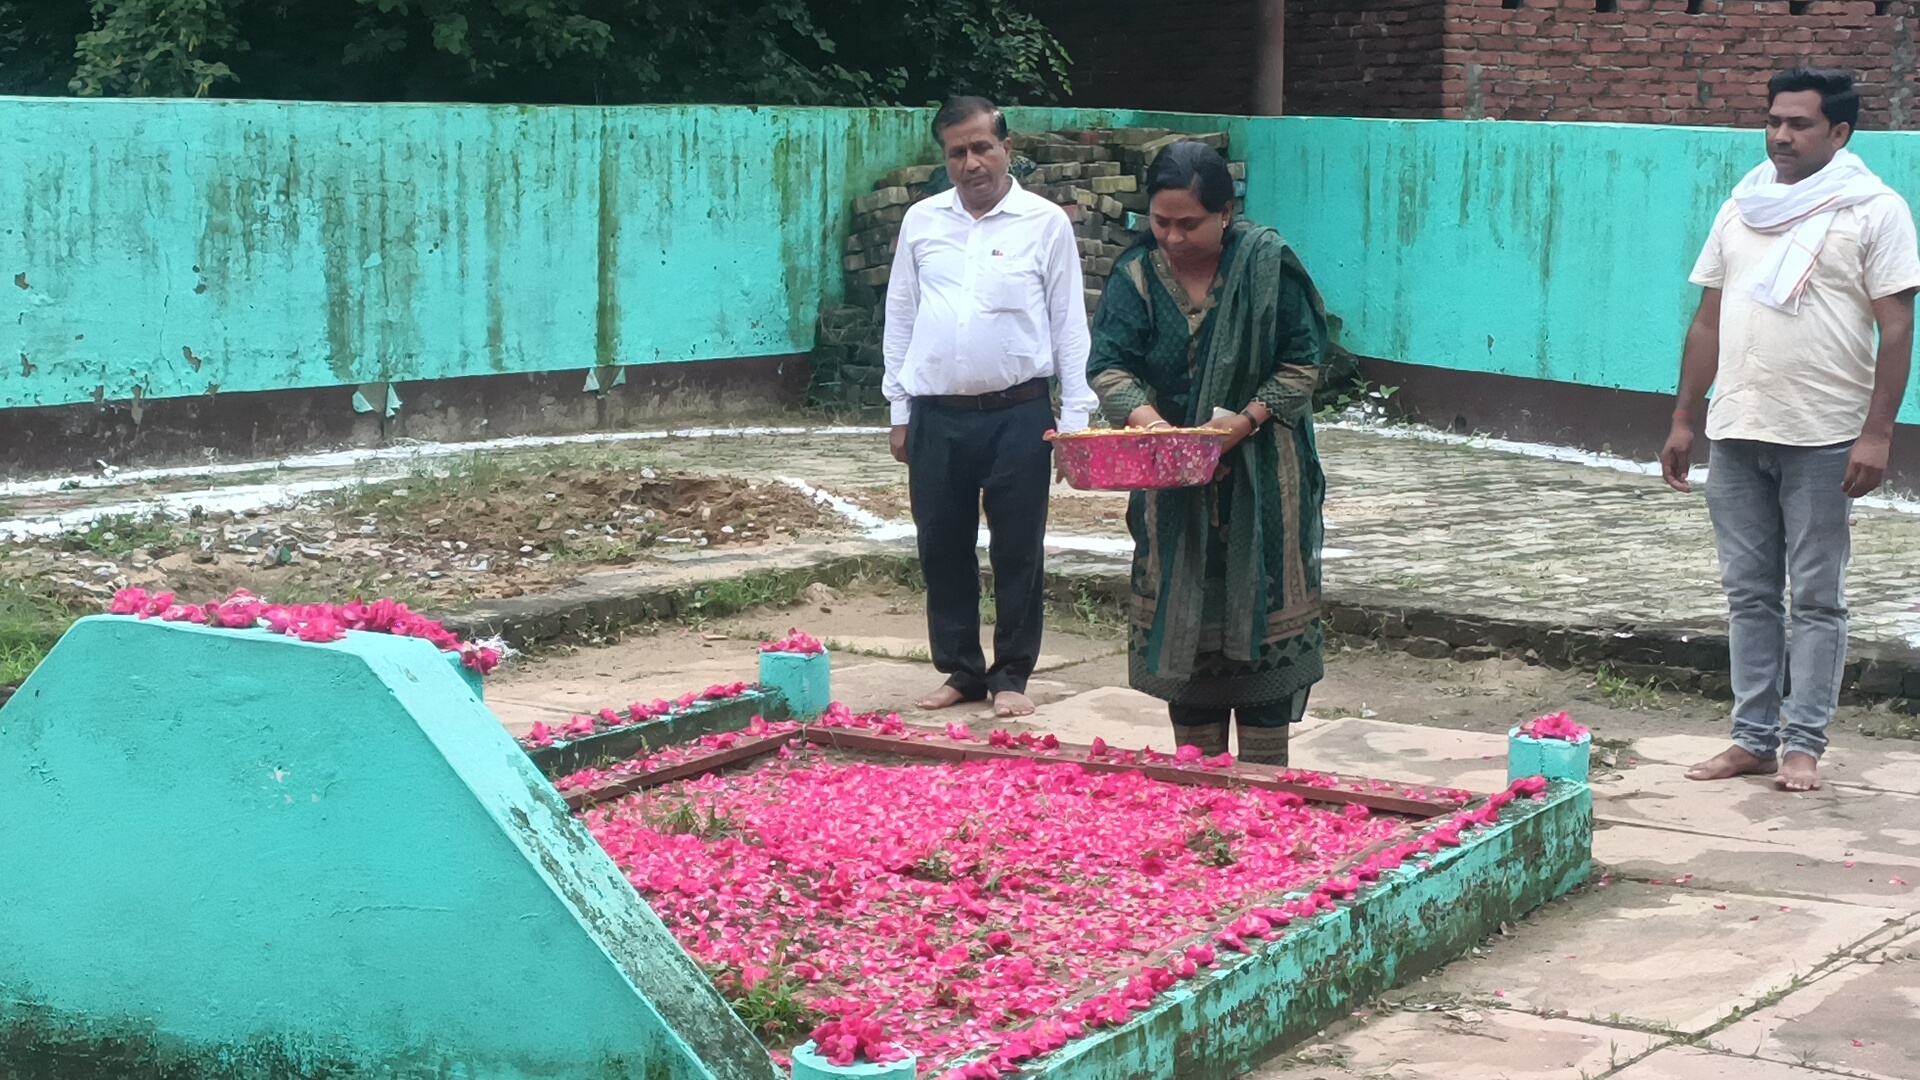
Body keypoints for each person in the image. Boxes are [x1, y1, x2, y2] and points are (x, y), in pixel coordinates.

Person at [1662, 67, 1920, 792]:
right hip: (1737, 428)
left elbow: (1897, 328)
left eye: (1799, 124)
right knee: (1747, 593)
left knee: (1815, 597)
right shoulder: (1742, 205)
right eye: (1774, 121)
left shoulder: (1875, 209)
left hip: (1826, 437)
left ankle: (1803, 742)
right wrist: (1685, 416)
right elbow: (1709, 319)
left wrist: (1878, 434)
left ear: (1839, 133)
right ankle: (1752, 738)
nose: (1781, 135)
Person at [1084, 141, 1329, 766]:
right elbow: (1110, 367)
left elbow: (1302, 364)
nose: (1171, 236)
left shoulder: (1267, 265)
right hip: (1173, 488)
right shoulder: (1135, 275)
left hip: (1265, 483)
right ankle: (1200, 790)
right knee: (1184, 629)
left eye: (1187, 223)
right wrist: (1160, 431)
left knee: (1265, 627)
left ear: (1225, 213)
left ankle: (1265, 790)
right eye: (1159, 221)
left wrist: (1240, 424)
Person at [882, 95, 1097, 719]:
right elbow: (900, 317)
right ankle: (960, 670)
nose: (971, 162)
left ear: (1007, 146)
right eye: (957, 152)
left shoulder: (1045, 223)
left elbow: (1069, 325)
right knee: (941, 545)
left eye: (982, 147)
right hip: (936, 415)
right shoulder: (921, 222)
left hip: (1020, 414)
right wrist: (899, 409)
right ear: (944, 157)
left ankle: (1011, 677)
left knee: (1018, 548)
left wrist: (1076, 422)